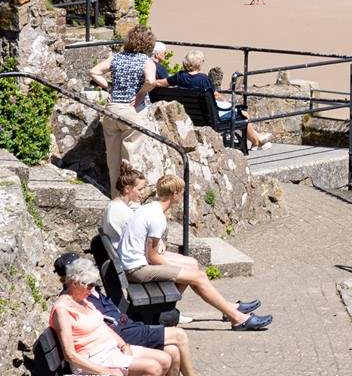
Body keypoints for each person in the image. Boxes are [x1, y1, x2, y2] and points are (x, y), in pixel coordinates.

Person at [104, 174, 270, 330]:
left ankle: (229, 308)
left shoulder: (150, 208)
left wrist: (181, 268)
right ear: (174, 194)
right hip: (136, 270)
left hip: (132, 261)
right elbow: (153, 257)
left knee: (192, 264)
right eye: (181, 192)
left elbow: (150, 252)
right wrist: (178, 269)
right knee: (197, 275)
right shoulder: (157, 217)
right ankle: (237, 318)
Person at [53, 252, 197, 376]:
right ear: (73, 282)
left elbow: (103, 326)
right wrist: (104, 371)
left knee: (167, 357)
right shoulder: (63, 309)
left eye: (93, 284)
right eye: (89, 285)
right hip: (95, 357)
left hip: (109, 347)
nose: (92, 289)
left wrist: (123, 345)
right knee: (155, 366)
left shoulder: (83, 299)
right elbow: (70, 354)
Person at [88, 26, 165, 191]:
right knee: (131, 158)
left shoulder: (116, 57)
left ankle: (116, 196)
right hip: (132, 112)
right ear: (148, 44)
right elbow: (151, 81)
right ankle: (130, 197)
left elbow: (94, 71)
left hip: (112, 109)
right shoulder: (146, 61)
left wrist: (109, 87)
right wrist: (140, 94)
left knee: (113, 159)